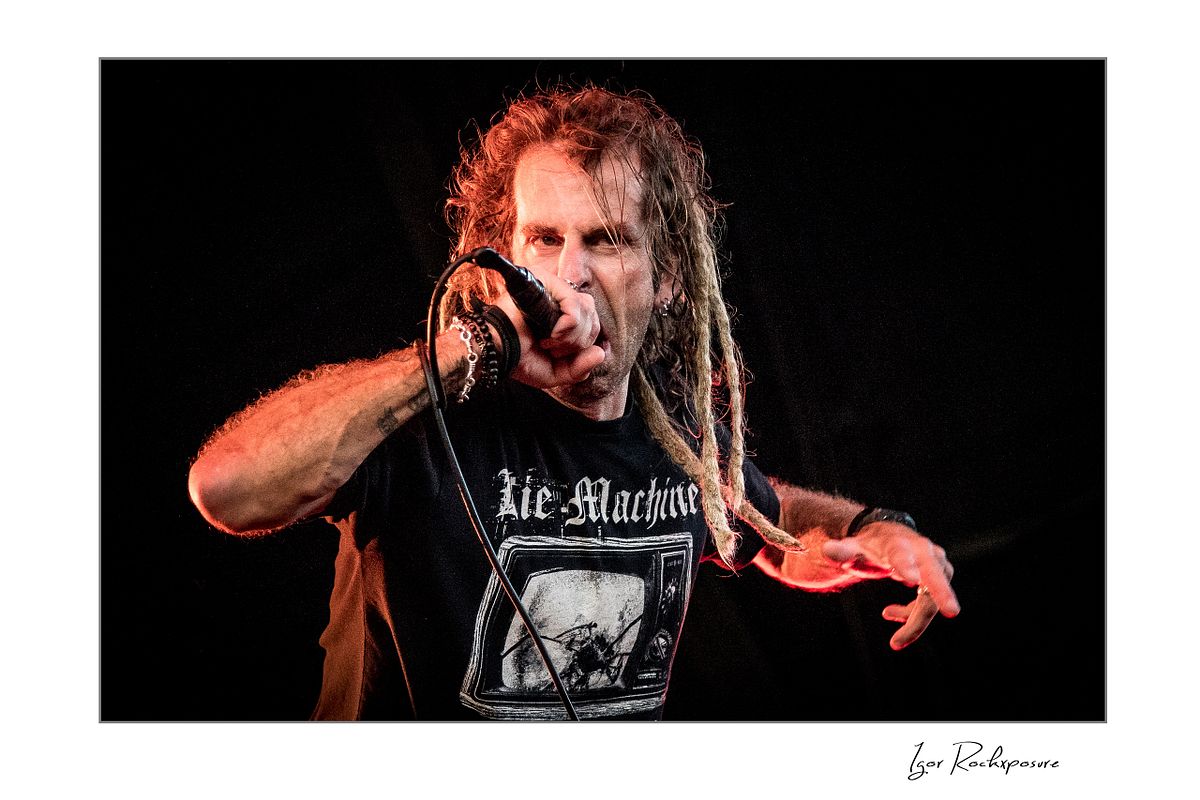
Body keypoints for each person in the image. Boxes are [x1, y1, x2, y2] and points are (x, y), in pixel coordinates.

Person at [187, 85, 959, 721]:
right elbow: (227, 488)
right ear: (510, 258)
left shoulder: (676, 447)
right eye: (545, 239)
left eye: (606, 240)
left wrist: (871, 529)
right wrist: (470, 346)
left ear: (668, 278)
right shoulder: (431, 422)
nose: (570, 274)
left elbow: (770, 522)